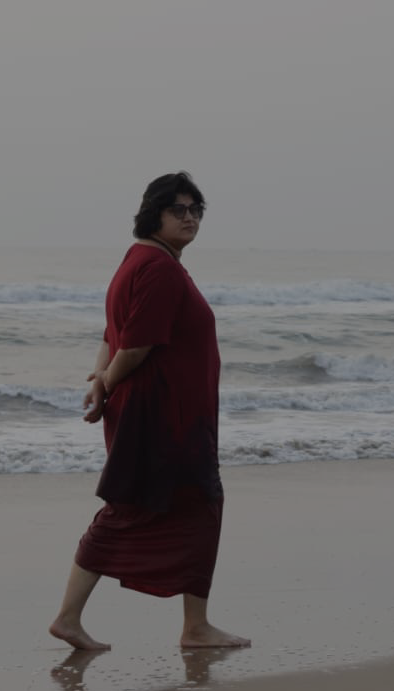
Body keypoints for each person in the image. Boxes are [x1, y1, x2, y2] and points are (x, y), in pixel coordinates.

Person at [49, 172, 250, 651]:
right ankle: (192, 627)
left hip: (159, 412)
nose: (189, 218)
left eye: (196, 210)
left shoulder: (141, 260)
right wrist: (104, 383)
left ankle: (182, 624)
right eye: (178, 209)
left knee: (157, 506)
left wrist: (101, 381)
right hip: (165, 416)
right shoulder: (159, 267)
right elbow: (134, 345)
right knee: (173, 506)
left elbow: (111, 335)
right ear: (152, 213)